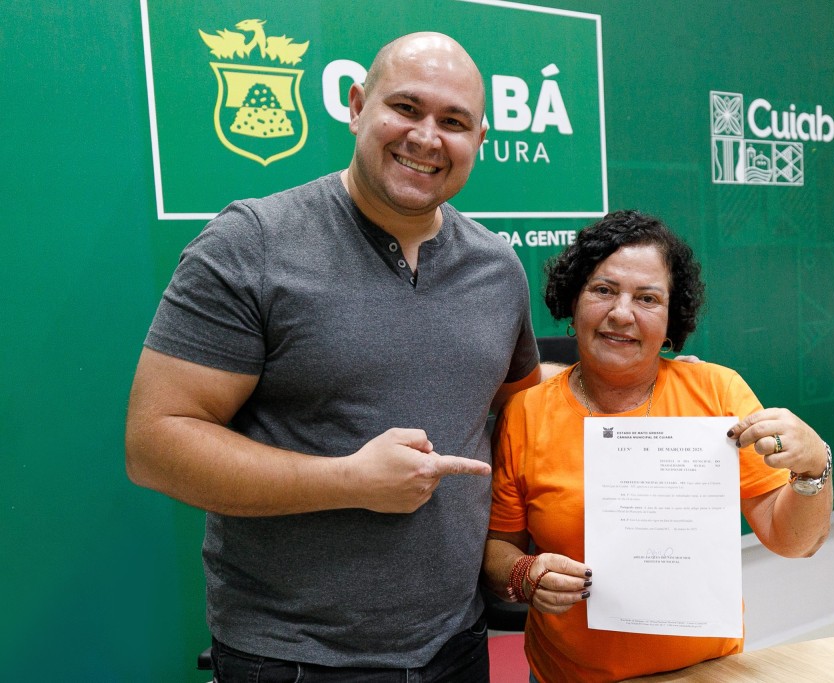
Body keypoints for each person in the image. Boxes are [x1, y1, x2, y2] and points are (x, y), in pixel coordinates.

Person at [125, 32, 543, 681]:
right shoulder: (251, 244)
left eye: (454, 122)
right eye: (406, 107)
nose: (427, 137)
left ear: (480, 139)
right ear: (356, 106)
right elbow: (155, 444)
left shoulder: (497, 268)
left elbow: (527, 408)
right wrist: (350, 480)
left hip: (456, 644)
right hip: (293, 657)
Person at [483, 210, 834, 683]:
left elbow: (794, 542)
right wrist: (524, 573)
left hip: (704, 674)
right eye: (603, 290)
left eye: (647, 298)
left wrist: (813, 468)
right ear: (574, 301)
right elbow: (498, 549)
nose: (621, 313)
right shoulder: (526, 413)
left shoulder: (717, 394)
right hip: (566, 675)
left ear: (671, 318)